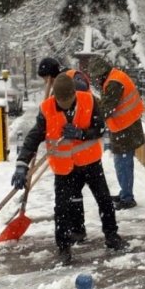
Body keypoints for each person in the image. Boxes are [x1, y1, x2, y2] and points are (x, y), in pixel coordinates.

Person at [11, 75, 128, 264]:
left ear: (74, 93)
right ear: (55, 97)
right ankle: (64, 247)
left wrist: (82, 133)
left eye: (68, 101)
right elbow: (33, 138)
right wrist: (21, 165)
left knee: (104, 200)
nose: (64, 105)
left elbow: (100, 128)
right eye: (60, 101)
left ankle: (112, 237)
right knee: (63, 209)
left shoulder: (89, 101)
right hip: (64, 168)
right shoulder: (47, 109)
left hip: (90, 163)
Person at [36, 56, 93, 242]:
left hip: (82, 148)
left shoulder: (72, 80)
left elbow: (81, 99)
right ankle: (74, 229)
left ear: (51, 75)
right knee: (70, 194)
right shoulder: (60, 83)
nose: (45, 83)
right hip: (68, 150)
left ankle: (76, 229)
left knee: (73, 193)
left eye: (46, 78)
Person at [86, 57, 145, 210]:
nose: (96, 80)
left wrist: (89, 108)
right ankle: (125, 193)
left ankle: (127, 198)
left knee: (123, 163)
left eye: (97, 77)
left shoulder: (114, 83)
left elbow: (105, 109)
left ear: (102, 73)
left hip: (126, 128)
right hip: (124, 126)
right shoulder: (114, 77)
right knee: (122, 163)